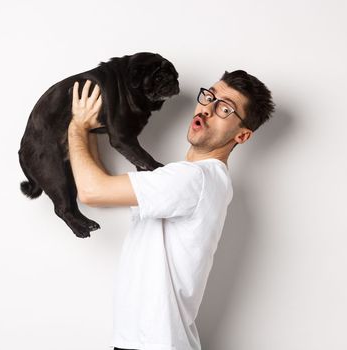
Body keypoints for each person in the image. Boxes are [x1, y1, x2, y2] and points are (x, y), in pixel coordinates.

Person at [66, 70, 275, 350]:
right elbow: (104, 191)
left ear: (242, 135)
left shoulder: (193, 179)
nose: (207, 109)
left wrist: (76, 127)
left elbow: (93, 192)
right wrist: (90, 128)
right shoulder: (198, 180)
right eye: (209, 96)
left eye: (225, 108)